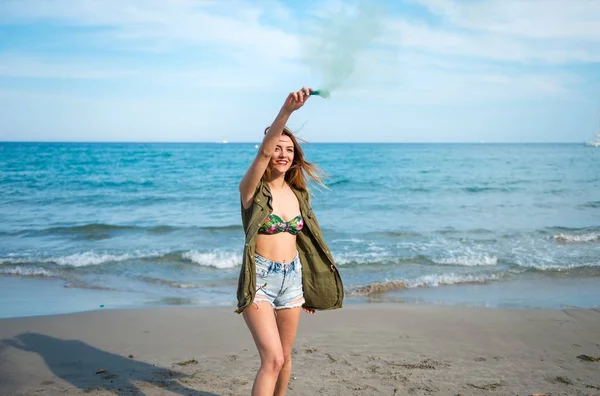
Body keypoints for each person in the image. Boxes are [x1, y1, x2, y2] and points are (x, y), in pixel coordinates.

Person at [237, 87, 344, 396]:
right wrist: (287, 112)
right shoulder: (252, 191)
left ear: (295, 157)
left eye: (289, 149)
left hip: (292, 280)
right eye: (278, 148)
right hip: (260, 280)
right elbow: (263, 153)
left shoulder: (298, 195)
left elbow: (306, 245)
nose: (282, 154)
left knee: (285, 360)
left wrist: (307, 287)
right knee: (272, 359)